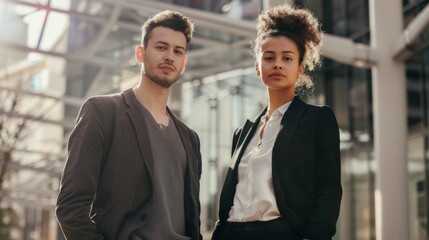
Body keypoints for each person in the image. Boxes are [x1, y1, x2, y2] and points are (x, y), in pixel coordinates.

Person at [56, 10, 202, 240]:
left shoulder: (189, 138)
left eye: (177, 51)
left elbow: (192, 217)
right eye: (161, 47)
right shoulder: (103, 112)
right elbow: (70, 206)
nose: (169, 57)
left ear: (184, 63)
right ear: (140, 53)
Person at [212, 4, 342, 240]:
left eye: (287, 58)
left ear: (300, 68)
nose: (278, 64)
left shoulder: (317, 119)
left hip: (280, 232)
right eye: (269, 57)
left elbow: (329, 188)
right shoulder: (242, 132)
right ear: (257, 67)